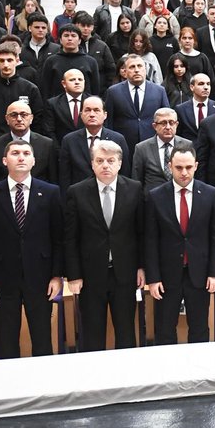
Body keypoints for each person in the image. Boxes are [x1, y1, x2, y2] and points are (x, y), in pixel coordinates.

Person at [0, 141, 65, 358]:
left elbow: (58, 237)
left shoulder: (51, 192)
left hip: (41, 277)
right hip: (3, 278)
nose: (21, 157)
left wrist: (57, 276)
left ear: (34, 161)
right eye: (15, 153)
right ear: (5, 161)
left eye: (26, 153)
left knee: (43, 338)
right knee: (6, 340)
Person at [64, 140, 144, 351]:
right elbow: (70, 237)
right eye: (100, 161)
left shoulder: (134, 189)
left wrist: (142, 267)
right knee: (92, 333)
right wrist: (73, 275)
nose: (105, 165)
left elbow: (142, 233)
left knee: (126, 331)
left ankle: (127, 380)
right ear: (92, 164)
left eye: (110, 161)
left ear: (119, 163)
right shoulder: (77, 192)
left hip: (125, 274)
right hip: (90, 276)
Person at [144, 141, 215, 344]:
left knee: (199, 328)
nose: (184, 172)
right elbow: (150, 240)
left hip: (199, 273)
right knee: (164, 329)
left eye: (188, 167)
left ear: (196, 165)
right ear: (170, 167)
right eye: (178, 167)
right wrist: (153, 278)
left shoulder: (210, 194)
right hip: (166, 275)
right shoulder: (155, 196)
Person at [58, 95, 129, 192]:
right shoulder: (69, 140)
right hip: (79, 196)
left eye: (96, 110)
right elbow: (64, 176)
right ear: (81, 115)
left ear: (105, 115)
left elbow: (124, 172)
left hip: (110, 192)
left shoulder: (117, 139)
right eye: (87, 110)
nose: (92, 114)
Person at [105, 54, 169, 155]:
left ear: (145, 69)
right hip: (123, 146)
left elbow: (166, 118)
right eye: (132, 67)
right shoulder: (113, 92)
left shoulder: (159, 91)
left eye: (139, 66)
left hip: (152, 145)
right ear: (125, 72)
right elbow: (109, 122)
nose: (136, 70)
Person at [0, 100, 57, 185]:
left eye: (24, 115)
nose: (19, 119)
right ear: (7, 119)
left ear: (31, 118)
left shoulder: (47, 145)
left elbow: (53, 180)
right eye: (14, 115)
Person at [131, 107, 190, 191]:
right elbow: (137, 180)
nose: (168, 127)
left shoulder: (187, 145)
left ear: (176, 124)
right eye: (163, 123)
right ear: (154, 126)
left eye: (171, 123)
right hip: (151, 200)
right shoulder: (142, 148)